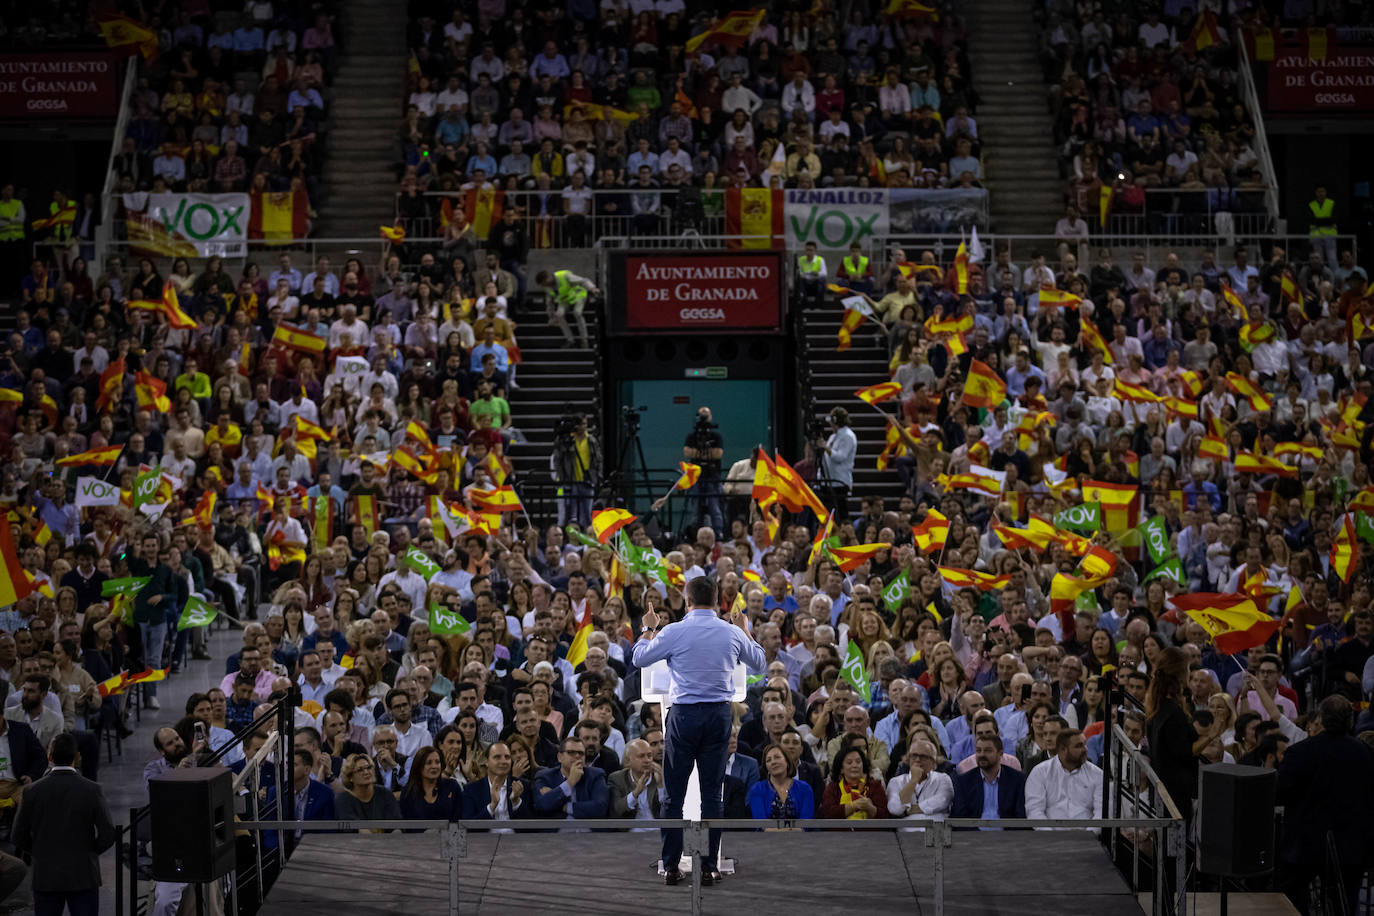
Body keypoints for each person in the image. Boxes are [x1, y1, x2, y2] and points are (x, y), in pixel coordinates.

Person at [630, 576, 767, 885]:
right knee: (712, 795)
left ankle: (671, 866)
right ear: (717, 601)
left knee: (674, 796)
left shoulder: (673, 631)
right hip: (718, 716)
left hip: (684, 717)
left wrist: (648, 628)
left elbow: (639, 658)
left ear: (687, 601)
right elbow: (760, 664)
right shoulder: (731, 632)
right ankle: (708, 867)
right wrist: (745, 629)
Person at [1276, 695, 1374, 915]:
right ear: (1350, 720)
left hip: (1304, 845)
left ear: (1321, 718)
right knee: (1344, 904)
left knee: (1291, 899)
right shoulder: (1364, 752)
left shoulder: (1299, 752)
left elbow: (1280, 793)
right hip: (1351, 845)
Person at [12, 733, 116, 916]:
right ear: (77, 757)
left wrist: (40, 851)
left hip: (46, 876)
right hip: (83, 875)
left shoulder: (31, 792)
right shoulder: (92, 789)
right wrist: (89, 852)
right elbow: (107, 834)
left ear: (50, 756)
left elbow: (18, 836)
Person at [1023, 729, 1103, 827]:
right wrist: (1050, 834)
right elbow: (1034, 811)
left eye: (1085, 744)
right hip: (1049, 834)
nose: (1085, 749)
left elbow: (1101, 813)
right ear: (1063, 750)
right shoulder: (1040, 773)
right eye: (1079, 746)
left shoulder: (1097, 774)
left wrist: (1089, 834)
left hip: (1087, 834)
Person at [951, 734, 1027, 823]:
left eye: (988, 751)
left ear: (1000, 753)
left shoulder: (1017, 780)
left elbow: (1020, 817)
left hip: (1007, 830)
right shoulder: (963, 782)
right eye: (978, 750)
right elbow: (960, 818)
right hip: (973, 831)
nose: (982, 755)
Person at [532, 735, 609, 819]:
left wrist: (564, 806)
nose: (577, 756)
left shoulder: (596, 775)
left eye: (581, 753)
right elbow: (542, 805)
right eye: (571, 752)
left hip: (587, 827)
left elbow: (600, 808)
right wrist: (570, 783)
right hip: (557, 827)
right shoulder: (545, 776)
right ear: (560, 757)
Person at [886, 737, 953, 820]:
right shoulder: (895, 782)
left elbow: (942, 802)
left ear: (933, 763)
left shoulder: (943, 779)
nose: (917, 760)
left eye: (923, 756)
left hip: (935, 827)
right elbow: (895, 809)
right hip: (906, 828)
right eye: (914, 756)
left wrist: (908, 811)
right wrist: (913, 781)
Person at [681, 407, 724, 536]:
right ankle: (694, 533)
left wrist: (697, 453)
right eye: (701, 415)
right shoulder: (692, 436)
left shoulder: (716, 436)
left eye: (706, 415)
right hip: (696, 476)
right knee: (695, 507)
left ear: (711, 417)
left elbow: (718, 454)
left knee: (714, 506)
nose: (704, 418)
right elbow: (686, 452)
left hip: (712, 475)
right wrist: (706, 454)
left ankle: (718, 533)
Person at [552, 413, 600, 528]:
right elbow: (558, 459)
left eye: (585, 424)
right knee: (570, 516)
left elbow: (598, 460)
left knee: (587, 516)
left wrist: (597, 477)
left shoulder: (591, 440)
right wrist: (561, 477)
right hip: (570, 481)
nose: (583, 427)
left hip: (587, 481)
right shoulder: (566, 440)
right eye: (580, 424)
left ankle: (586, 536)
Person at [461, 740, 528, 821]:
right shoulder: (471, 790)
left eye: (507, 757)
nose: (503, 761)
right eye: (497, 757)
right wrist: (492, 806)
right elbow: (468, 825)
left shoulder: (523, 786)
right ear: (486, 762)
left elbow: (532, 825)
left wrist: (516, 802)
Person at [746, 742, 815, 819]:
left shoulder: (804, 788)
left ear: (787, 761)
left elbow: (806, 822)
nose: (773, 762)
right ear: (766, 767)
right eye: (768, 760)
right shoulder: (757, 789)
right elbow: (761, 823)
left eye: (777, 757)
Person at [536, 268, 598, 349]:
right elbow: (549, 302)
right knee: (559, 315)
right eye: (543, 285)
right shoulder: (547, 287)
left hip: (578, 295)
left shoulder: (564, 275)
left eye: (545, 283)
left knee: (577, 313)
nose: (546, 285)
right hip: (565, 300)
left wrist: (592, 288)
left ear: (549, 277)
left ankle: (584, 339)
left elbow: (583, 281)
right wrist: (551, 316)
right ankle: (570, 340)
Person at [335, 752, 402, 828]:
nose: (366, 772)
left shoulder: (385, 794)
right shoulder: (343, 800)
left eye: (369, 767)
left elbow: (397, 826)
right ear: (350, 777)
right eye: (360, 770)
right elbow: (355, 830)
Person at [817, 407, 857, 522]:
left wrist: (826, 447)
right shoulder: (833, 436)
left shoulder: (848, 436)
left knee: (841, 512)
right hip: (828, 480)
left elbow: (840, 457)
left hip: (839, 481)